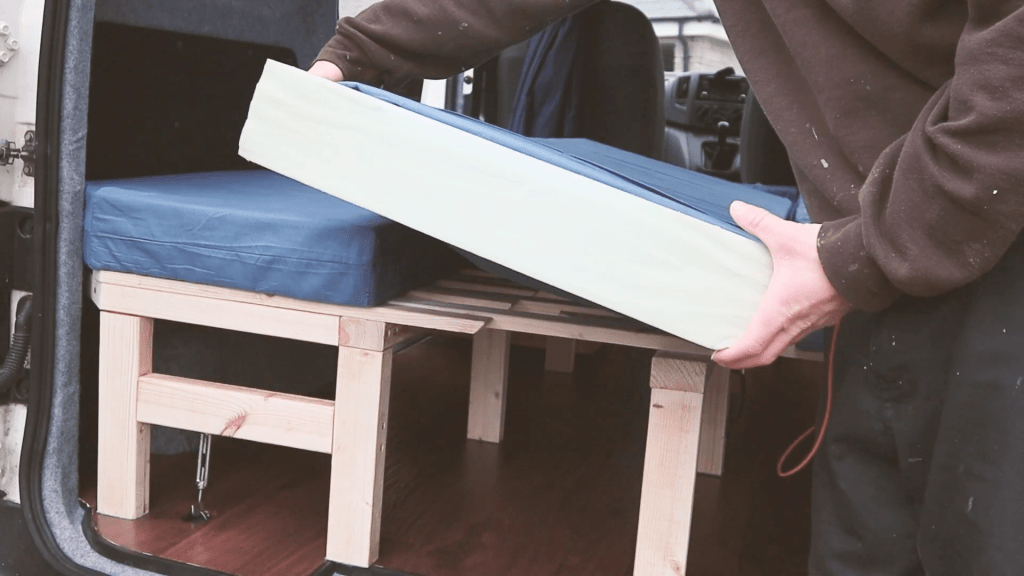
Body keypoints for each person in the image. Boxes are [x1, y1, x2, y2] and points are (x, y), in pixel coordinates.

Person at [309, 2, 1024, 574]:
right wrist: (357, 53)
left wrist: (861, 255)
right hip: (897, 247)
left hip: (988, 237)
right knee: (862, 547)